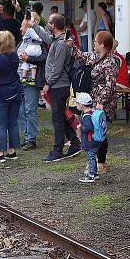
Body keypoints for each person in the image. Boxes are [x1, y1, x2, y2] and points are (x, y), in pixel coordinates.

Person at [68, 30, 120, 174]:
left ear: (102, 44)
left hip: (103, 101)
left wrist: (102, 102)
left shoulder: (111, 61)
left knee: (100, 131)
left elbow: (110, 85)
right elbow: (81, 56)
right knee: (92, 129)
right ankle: (94, 160)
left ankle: (101, 162)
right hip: (93, 98)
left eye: (96, 41)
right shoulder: (96, 56)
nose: (94, 43)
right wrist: (71, 44)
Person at [42, 14, 81, 162]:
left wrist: (48, 83)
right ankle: (74, 143)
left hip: (59, 85)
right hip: (59, 84)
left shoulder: (60, 44)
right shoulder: (59, 40)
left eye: (49, 23)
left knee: (57, 119)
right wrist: (33, 24)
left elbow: (57, 68)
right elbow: (45, 37)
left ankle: (57, 150)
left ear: (53, 25)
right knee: (61, 117)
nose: (47, 25)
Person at [0, 31, 22, 163]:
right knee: (13, 122)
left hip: (1, 94)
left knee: (1, 125)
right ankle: (12, 151)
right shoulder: (14, 56)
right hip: (15, 92)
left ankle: (0, 153)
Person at [17, 17, 48, 150]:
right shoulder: (21, 42)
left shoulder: (38, 42)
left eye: (23, 26)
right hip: (19, 80)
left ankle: (31, 138)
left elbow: (44, 58)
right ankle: (26, 135)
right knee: (20, 110)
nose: (20, 29)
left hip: (31, 81)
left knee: (30, 109)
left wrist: (29, 58)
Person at [76, 92, 106, 183]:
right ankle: (95, 173)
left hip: (90, 140)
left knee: (90, 157)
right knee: (92, 156)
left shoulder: (86, 116)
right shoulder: (92, 112)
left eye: (77, 103)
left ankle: (91, 175)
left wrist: (80, 127)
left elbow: (89, 128)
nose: (76, 105)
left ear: (81, 105)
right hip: (95, 139)